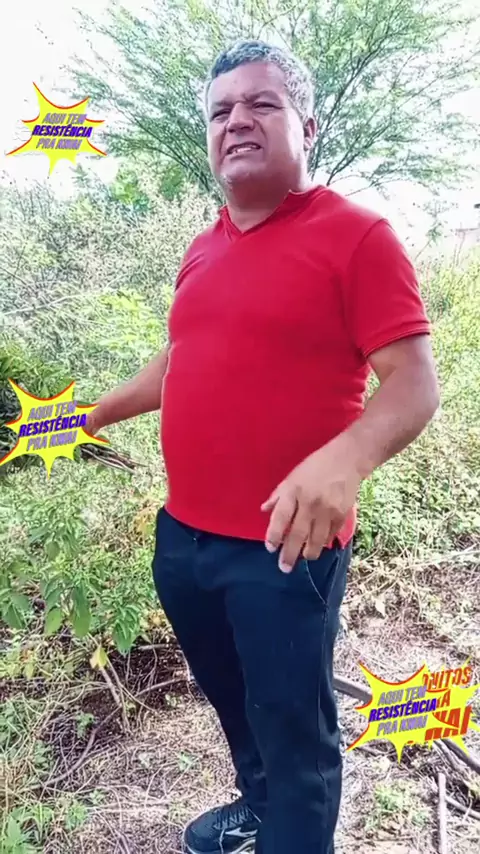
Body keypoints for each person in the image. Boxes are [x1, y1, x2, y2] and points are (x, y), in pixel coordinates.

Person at [87, 39, 439, 854]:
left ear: (306, 126)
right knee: (235, 700)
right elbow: (180, 358)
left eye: (260, 104)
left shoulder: (357, 237)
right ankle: (257, 807)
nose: (235, 121)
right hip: (185, 541)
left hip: (285, 551)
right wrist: (92, 415)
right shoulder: (203, 247)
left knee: (295, 734)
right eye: (220, 111)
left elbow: (415, 384)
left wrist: (344, 460)